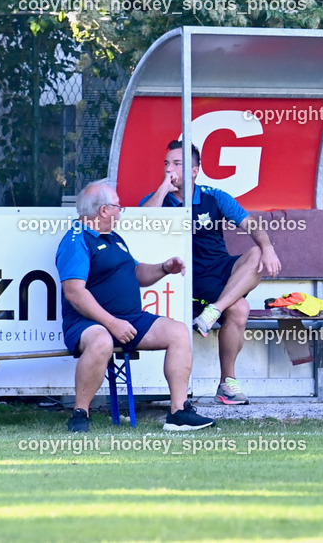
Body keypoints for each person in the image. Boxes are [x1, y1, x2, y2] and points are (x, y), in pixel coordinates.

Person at [57, 181, 214, 432]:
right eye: (119, 206)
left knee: (178, 332)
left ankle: (178, 412)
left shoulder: (115, 238)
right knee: (102, 341)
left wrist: (164, 268)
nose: (121, 211)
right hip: (88, 323)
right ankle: (80, 414)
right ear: (104, 210)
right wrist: (111, 323)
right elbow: (75, 292)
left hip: (130, 318)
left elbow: (137, 272)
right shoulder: (76, 239)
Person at [141, 140, 282, 406]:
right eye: (166, 164)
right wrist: (162, 189)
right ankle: (226, 378)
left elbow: (251, 224)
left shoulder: (213, 196)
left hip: (218, 272)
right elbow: (142, 224)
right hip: (181, 278)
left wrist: (268, 247)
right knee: (239, 308)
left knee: (255, 256)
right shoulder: (156, 200)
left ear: (194, 171)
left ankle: (215, 314)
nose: (170, 169)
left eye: (177, 164)